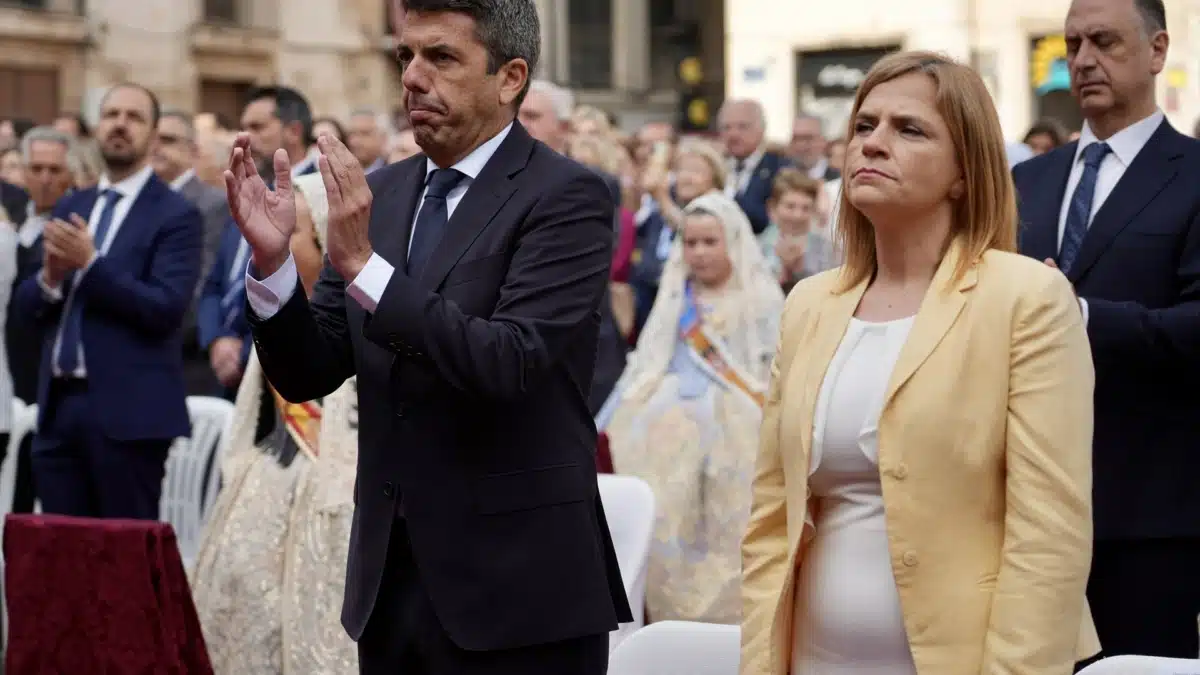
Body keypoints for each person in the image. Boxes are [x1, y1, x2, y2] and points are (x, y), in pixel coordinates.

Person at [224, 1, 632, 673]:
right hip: (391, 584)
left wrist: (365, 268)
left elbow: (509, 360)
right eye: (405, 56)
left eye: (441, 57)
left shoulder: (567, 196)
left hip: (518, 590)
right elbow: (308, 369)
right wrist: (272, 267)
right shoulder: (382, 193)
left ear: (510, 78)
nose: (413, 77)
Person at [740, 51, 1099, 675]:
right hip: (813, 657)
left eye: (909, 129)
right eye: (863, 125)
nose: (873, 143)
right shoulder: (810, 304)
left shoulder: (1026, 299)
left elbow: (1049, 536)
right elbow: (771, 517)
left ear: (964, 171)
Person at [1013, 0, 1200, 659]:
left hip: (1148, 516)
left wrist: (1081, 315)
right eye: (1072, 45)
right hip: (1025, 511)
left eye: (1104, 41)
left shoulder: (1193, 175)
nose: (1084, 60)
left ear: (1157, 51)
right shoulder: (1026, 182)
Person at [193, 171, 358, 673]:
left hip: (335, 498)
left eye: (295, 233)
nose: (277, 242)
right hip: (266, 482)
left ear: (324, 244)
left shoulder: (358, 326)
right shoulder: (274, 317)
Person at [13, 83, 203, 520]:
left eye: (134, 117)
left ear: (153, 135)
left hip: (129, 415)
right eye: (111, 115)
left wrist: (91, 264)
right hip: (59, 408)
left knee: (122, 552)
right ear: (97, 128)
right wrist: (49, 279)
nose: (120, 124)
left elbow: (165, 309)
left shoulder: (175, 214)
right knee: (62, 548)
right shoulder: (73, 204)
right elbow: (25, 310)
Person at [598, 192, 782, 624]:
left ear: (732, 242)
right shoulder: (676, 296)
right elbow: (651, 357)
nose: (699, 253)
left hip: (738, 416)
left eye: (709, 242)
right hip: (667, 409)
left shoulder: (760, 297)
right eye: (691, 243)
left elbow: (774, 369)